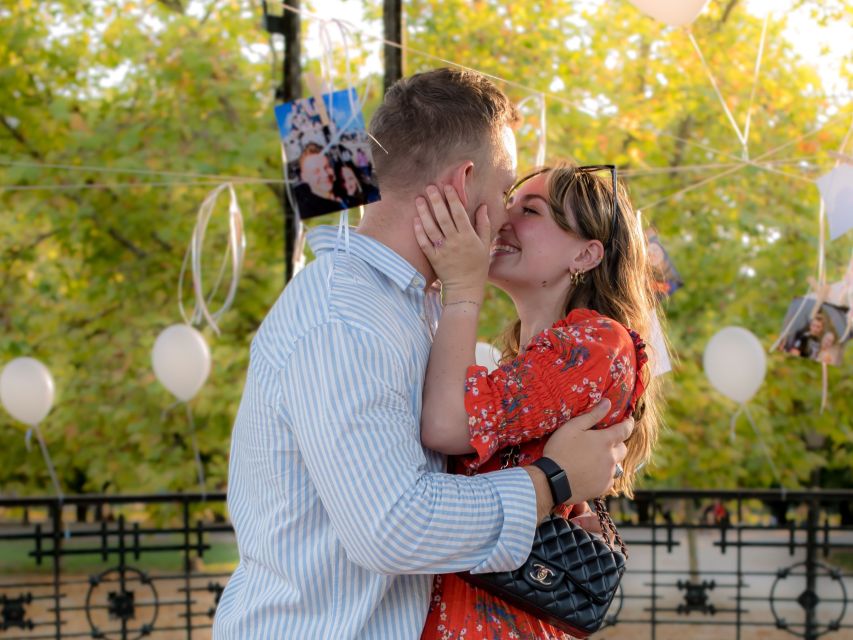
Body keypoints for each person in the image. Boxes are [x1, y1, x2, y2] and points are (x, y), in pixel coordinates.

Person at [212, 68, 635, 640]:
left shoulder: (418, 309)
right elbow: (392, 527)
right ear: (462, 183)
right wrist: (552, 481)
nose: (506, 217)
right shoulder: (345, 317)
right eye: (505, 190)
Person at [411, 164, 663, 639]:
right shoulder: (529, 360)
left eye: (531, 210)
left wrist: (462, 288)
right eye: (509, 201)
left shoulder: (595, 343)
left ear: (587, 254)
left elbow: (445, 424)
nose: (504, 218)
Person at [293, 142, 346, 217]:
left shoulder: (344, 189)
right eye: (316, 171)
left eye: (327, 167)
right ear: (304, 177)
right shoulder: (311, 213)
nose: (325, 174)